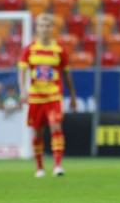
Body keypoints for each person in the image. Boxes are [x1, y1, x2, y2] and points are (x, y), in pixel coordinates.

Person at [17, 13, 77, 178]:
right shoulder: (29, 49)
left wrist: (72, 96)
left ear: (53, 29)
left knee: (56, 126)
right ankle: (40, 167)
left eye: (48, 26)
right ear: (37, 28)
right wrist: (23, 90)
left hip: (53, 96)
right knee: (37, 132)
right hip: (36, 97)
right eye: (41, 26)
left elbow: (67, 75)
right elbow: (22, 71)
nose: (44, 29)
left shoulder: (59, 49)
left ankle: (58, 165)